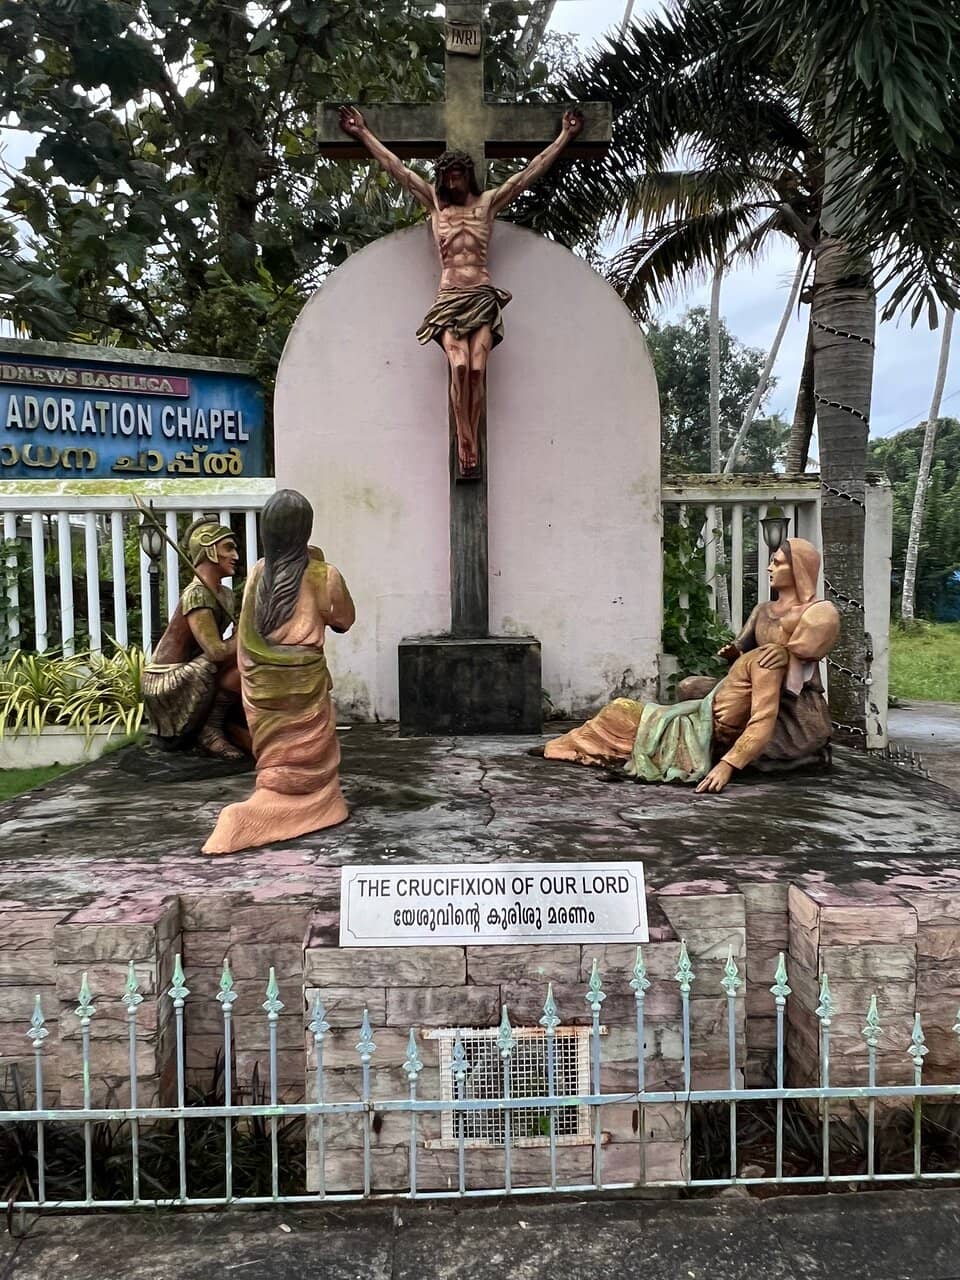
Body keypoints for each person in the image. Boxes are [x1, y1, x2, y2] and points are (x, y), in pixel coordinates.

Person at [338, 104, 584, 476]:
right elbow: (398, 169)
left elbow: (527, 175)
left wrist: (564, 137)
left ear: (468, 176)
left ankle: (472, 436)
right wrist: (362, 133)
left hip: (482, 295)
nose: (452, 182)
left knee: (478, 368)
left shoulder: (487, 205)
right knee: (460, 363)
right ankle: (465, 436)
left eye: (457, 175)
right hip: (450, 297)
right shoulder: (437, 206)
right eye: (447, 176)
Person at [542, 538, 840, 794]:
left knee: (620, 715)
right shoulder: (763, 614)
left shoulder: (808, 622)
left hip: (780, 703)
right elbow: (743, 647)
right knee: (659, 699)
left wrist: (726, 766)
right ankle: (570, 745)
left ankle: (573, 746)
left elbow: (767, 711)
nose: (769, 568)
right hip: (719, 708)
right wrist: (734, 652)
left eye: (778, 563)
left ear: (799, 569)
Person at [203, 489, 356, 854]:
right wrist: (320, 565)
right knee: (307, 762)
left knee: (276, 760)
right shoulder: (324, 575)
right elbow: (344, 619)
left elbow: (246, 636)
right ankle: (307, 805)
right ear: (305, 530)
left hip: (264, 688)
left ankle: (277, 806)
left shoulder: (258, 573)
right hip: (304, 686)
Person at [142, 516, 244, 760]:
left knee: (246, 660)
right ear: (208, 549)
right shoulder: (196, 594)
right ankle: (209, 731)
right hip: (169, 679)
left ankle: (222, 724)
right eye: (228, 548)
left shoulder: (226, 595)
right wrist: (244, 635)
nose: (236, 556)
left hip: (196, 666)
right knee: (233, 657)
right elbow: (216, 652)